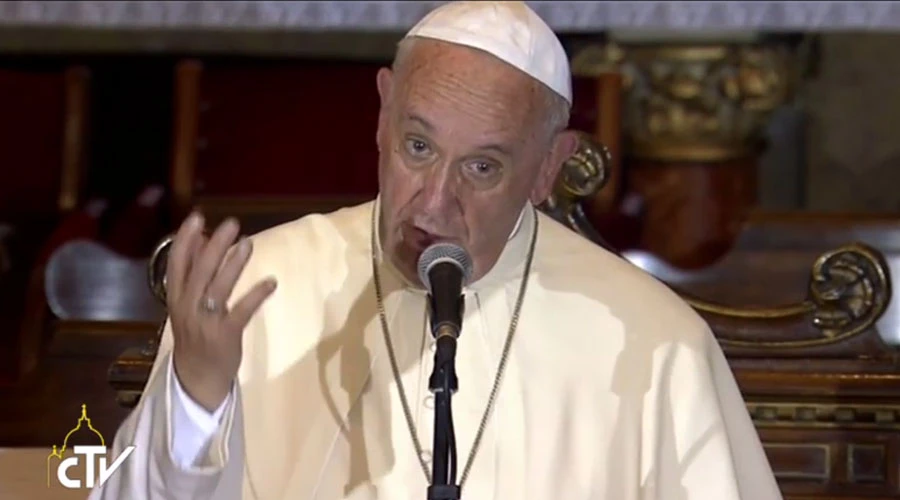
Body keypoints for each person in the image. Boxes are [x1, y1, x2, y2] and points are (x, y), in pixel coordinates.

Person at [89, 2, 781, 499]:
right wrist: (198, 394)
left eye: (482, 168)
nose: (433, 204)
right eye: (419, 148)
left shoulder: (657, 344)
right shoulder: (262, 287)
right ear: (384, 113)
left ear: (548, 169)